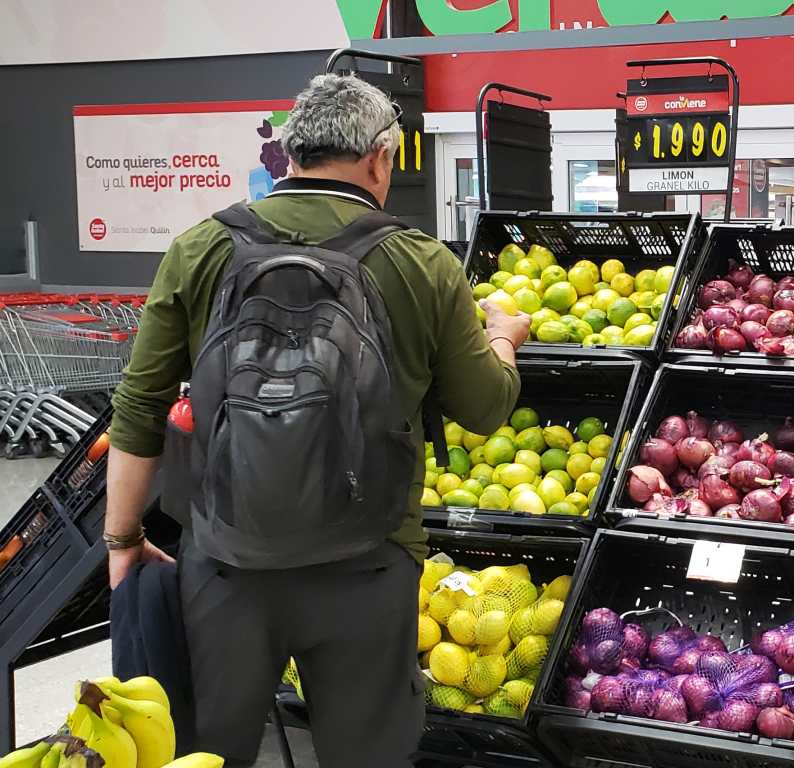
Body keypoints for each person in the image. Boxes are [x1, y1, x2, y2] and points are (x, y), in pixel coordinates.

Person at [106, 73, 529, 767]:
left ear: (291, 154)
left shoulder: (200, 248)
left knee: (207, 753)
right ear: (378, 158)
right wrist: (504, 336)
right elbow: (484, 408)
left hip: (225, 562)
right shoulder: (422, 263)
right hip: (369, 562)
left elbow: (139, 406)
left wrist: (122, 537)